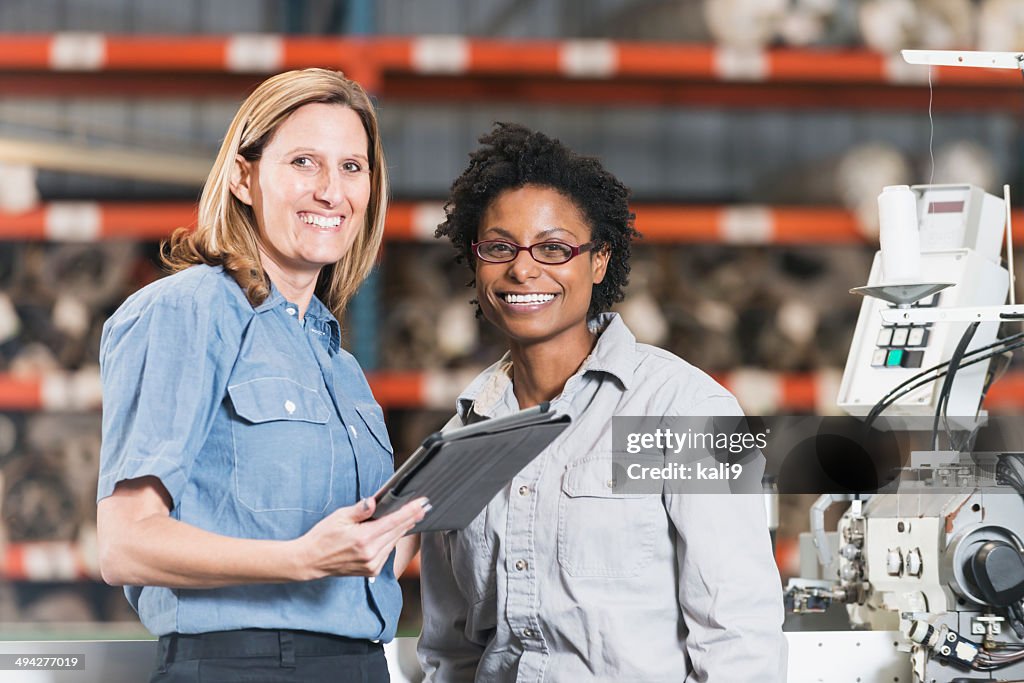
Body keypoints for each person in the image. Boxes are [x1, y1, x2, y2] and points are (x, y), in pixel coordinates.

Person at [418, 123, 787, 682]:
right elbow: (451, 650)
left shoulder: (684, 408)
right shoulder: (460, 439)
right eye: (499, 247)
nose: (523, 269)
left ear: (598, 261)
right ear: (475, 263)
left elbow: (739, 635)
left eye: (554, 248)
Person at [96, 68, 428, 683]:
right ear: (244, 178)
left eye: (352, 167)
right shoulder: (188, 309)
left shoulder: (338, 362)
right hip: (242, 665)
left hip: (355, 663)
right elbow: (125, 545)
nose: (332, 191)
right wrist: (300, 559)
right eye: (305, 162)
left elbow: (362, 555)